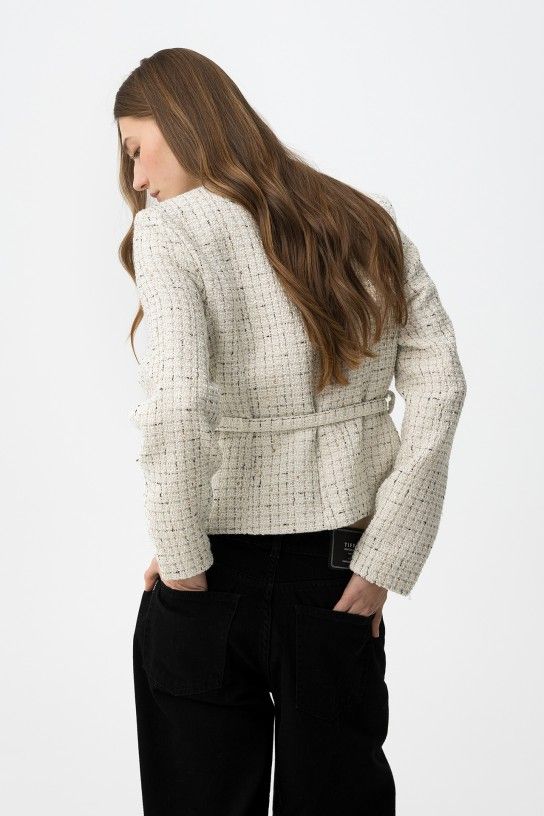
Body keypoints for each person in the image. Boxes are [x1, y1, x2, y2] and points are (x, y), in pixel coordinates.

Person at [115, 48, 467, 816]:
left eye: (137, 149)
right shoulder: (365, 221)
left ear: (184, 121)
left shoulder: (170, 231)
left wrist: (183, 564)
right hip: (337, 580)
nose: (137, 179)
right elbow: (442, 388)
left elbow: (177, 407)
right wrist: (383, 561)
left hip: (214, 577)